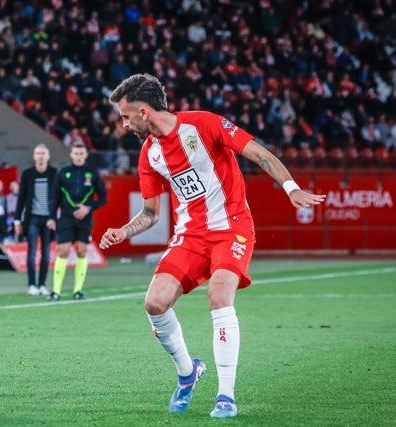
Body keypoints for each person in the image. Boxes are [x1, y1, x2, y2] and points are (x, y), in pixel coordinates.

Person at [101, 73, 326, 418]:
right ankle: (188, 373)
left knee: (219, 296)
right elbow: (149, 214)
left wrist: (291, 187)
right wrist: (123, 230)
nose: (123, 123)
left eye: (126, 116)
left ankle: (226, 396)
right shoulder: (150, 155)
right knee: (154, 303)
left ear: (144, 112)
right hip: (190, 236)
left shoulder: (203, 124)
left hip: (231, 227)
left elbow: (259, 154)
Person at [47, 143, 107, 301]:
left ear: (86, 155)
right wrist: (51, 217)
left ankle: (78, 291)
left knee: (82, 250)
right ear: (71, 155)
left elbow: (103, 198)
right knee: (63, 251)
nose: (79, 156)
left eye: (81, 153)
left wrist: (88, 207)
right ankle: (56, 291)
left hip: (85, 218)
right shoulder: (63, 173)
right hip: (66, 217)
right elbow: (54, 197)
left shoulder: (93, 173)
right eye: (76, 153)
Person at [13, 144, 56, 296]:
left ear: (48, 156)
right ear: (34, 156)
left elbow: (59, 198)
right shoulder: (27, 174)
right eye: (38, 153)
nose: (41, 156)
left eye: (43, 153)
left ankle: (42, 284)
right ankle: (32, 284)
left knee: (46, 253)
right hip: (32, 218)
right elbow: (21, 198)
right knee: (31, 252)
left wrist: (56, 218)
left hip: (48, 220)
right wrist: (17, 220)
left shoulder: (54, 174)